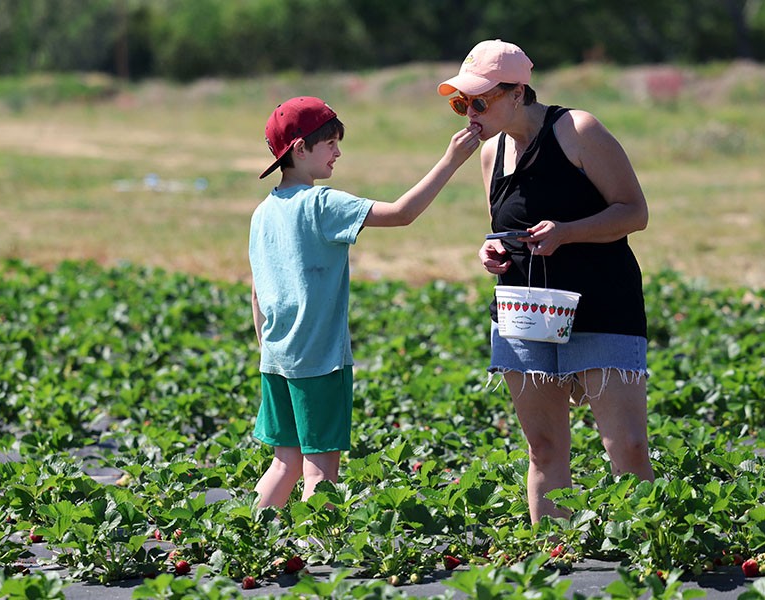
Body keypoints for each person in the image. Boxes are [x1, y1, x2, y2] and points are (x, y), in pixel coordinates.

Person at [438, 40, 655, 523]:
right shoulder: (489, 152)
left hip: (602, 304)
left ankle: (646, 554)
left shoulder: (578, 129)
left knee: (628, 449)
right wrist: (490, 249)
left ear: (518, 93)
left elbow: (634, 212)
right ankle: (552, 557)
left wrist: (569, 233)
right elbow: (505, 225)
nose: (467, 113)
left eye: (478, 101)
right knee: (544, 447)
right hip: (525, 311)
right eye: (461, 103)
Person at [249, 96, 481, 508]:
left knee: (284, 462)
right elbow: (402, 213)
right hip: (320, 361)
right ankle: (316, 551)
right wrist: (451, 160)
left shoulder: (263, 212)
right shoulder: (321, 203)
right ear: (300, 149)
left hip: (276, 359)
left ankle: (248, 538)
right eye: (330, 144)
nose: (338, 152)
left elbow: (256, 292)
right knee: (319, 469)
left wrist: (267, 348)